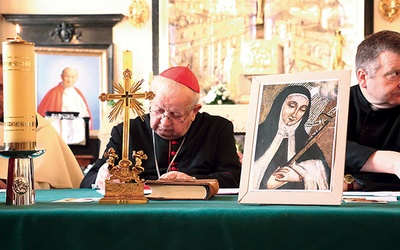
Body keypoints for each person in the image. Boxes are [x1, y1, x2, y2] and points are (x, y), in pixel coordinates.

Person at [80, 66, 241, 189]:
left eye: (176, 115)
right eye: (158, 111)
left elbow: (234, 176)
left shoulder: (217, 129)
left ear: (194, 111)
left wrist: (194, 182)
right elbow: (89, 178)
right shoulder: (126, 132)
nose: (164, 122)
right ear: (150, 102)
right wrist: (101, 177)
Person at [0, 55, 84, 189]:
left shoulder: (41, 129)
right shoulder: (53, 93)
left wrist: (12, 187)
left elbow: (55, 186)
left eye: (2, 88)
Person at [344, 30, 400, 191]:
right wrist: (391, 161)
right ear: (363, 77)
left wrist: (353, 183)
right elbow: (324, 153)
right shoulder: (334, 103)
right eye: (395, 74)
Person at [251, 85, 330, 190]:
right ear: (280, 105)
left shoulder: (306, 142)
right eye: (292, 106)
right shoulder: (259, 134)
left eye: (302, 109)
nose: (295, 114)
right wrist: (267, 184)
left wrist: (298, 174)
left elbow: (323, 171)